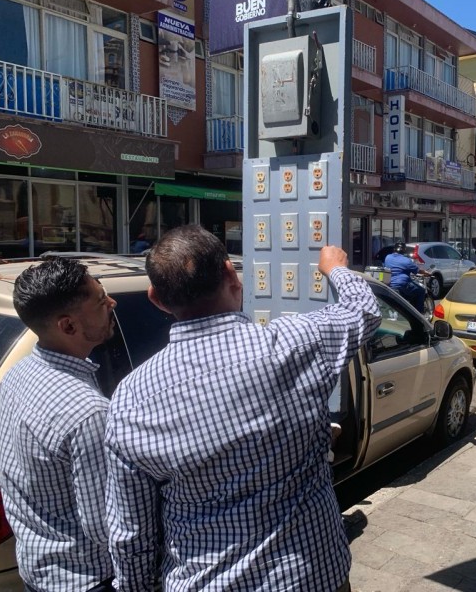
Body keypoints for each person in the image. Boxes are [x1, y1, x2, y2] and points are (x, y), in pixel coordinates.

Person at [104, 225, 381, 591]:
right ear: (231, 275)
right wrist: (336, 268)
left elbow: (130, 531)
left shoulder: (130, 398)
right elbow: (364, 309)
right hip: (312, 576)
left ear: (156, 298)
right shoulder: (295, 343)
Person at [0, 257, 117, 591]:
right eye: (100, 301)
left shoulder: (18, 376)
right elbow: (106, 527)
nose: (112, 303)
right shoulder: (88, 413)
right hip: (88, 580)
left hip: (39, 573)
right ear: (68, 326)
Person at [383, 241, 428, 312]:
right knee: (421, 291)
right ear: (404, 250)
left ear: (395, 249)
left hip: (390, 284)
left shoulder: (387, 257)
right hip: (402, 285)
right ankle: (420, 314)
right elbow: (417, 270)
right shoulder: (406, 261)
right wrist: (426, 273)